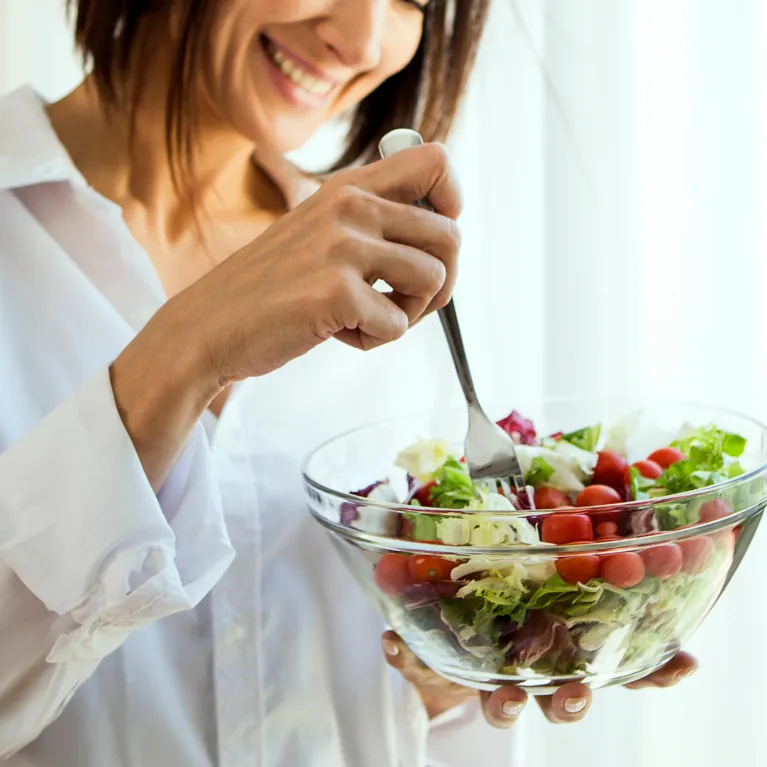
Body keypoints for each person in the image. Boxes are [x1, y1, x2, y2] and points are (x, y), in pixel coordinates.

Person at [0, 1, 696, 764]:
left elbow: (392, 708)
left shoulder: (389, 267)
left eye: (414, 1)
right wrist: (189, 345)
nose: (364, 40)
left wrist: (451, 680)